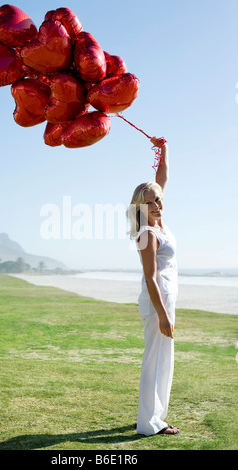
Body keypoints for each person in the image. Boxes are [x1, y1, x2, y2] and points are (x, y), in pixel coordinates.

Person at [128, 137, 180, 436]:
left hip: (166, 300)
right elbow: (150, 278)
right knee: (155, 362)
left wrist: (163, 150)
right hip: (156, 302)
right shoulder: (147, 233)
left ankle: (154, 416)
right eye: (150, 202)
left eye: (158, 199)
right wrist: (162, 315)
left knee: (163, 361)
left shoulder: (160, 222)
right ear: (140, 207)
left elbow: (162, 179)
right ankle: (148, 424)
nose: (157, 204)